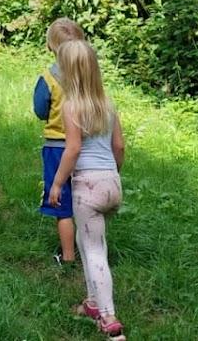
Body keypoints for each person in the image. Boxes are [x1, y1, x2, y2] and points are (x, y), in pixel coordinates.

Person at [47, 39, 127, 340]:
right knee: (88, 239)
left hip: (87, 186)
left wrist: (57, 183)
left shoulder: (71, 106)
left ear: (68, 72)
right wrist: (114, 174)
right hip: (111, 183)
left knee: (94, 252)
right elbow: (119, 146)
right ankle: (93, 302)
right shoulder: (107, 103)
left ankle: (109, 318)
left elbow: (73, 149)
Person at [33, 17, 87, 269]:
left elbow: (40, 110)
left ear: (50, 47)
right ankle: (91, 248)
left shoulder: (48, 78)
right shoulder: (88, 77)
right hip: (86, 145)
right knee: (84, 200)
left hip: (57, 147)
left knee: (62, 204)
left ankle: (67, 256)